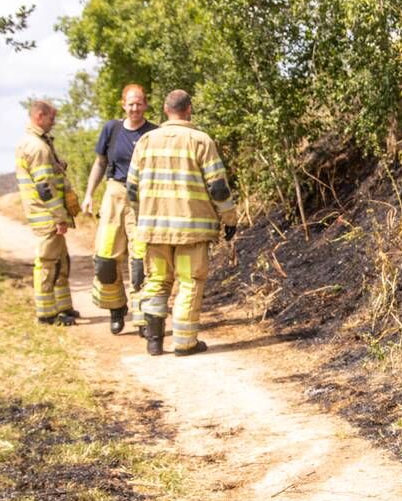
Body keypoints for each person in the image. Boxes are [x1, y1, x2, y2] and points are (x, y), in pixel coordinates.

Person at [127, 89, 238, 356]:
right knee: (189, 282)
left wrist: (142, 218)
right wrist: (229, 218)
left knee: (157, 281)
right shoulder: (201, 141)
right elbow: (218, 187)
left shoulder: (145, 141)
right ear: (188, 109)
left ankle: (154, 341)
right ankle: (185, 343)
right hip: (192, 231)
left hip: (154, 229)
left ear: (165, 110)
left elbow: (131, 188)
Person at [82, 84, 159, 335]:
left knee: (141, 263)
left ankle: (143, 318)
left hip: (143, 197)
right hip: (114, 193)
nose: (135, 108)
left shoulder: (154, 133)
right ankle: (116, 308)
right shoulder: (111, 129)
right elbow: (99, 163)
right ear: (123, 105)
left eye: (139, 103)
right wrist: (88, 195)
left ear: (145, 105)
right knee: (105, 260)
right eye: (130, 103)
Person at [14, 100, 79, 325]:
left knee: (61, 261)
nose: (54, 122)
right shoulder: (37, 147)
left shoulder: (37, 142)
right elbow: (45, 187)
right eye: (52, 118)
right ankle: (47, 314)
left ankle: (63, 307)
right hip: (47, 215)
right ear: (39, 116)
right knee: (48, 263)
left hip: (45, 213)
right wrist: (60, 216)